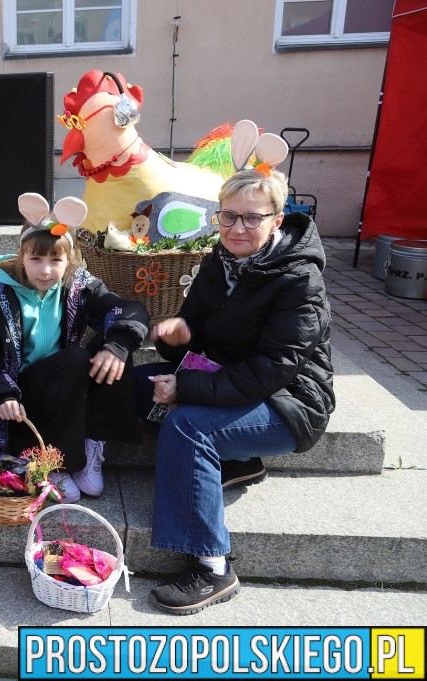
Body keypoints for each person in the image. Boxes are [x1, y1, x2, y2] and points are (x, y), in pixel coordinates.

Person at [140, 168, 334, 615]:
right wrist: (177, 335)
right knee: (135, 385)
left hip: (290, 403)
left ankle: (212, 566)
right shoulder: (219, 260)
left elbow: (273, 369)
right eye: (228, 216)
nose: (237, 228)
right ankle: (239, 461)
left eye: (251, 218)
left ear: (277, 220)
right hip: (234, 384)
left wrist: (186, 387)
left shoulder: (300, 280)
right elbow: (197, 335)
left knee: (188, 427)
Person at [0, 194, 149, 501]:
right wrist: (1, 395)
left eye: (55, 261)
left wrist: (119, 344)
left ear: (68, 261)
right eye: (36, 259)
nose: (46, 270)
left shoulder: (77, 285)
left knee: (115, 345)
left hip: (65, 386)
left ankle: (91, 441)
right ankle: (57, 464)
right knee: (75, 358)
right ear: (22, 257)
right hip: (20, 396)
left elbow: (127, 310)